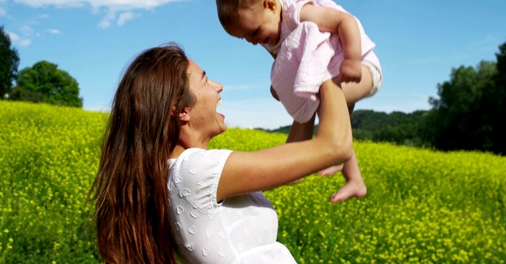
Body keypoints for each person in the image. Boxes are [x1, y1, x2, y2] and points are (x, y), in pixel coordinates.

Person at [87, 43, 353, 264]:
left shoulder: (174, 176)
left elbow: (293, 173)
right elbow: (335, 146)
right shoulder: (195, 172)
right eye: (205, 80)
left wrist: (300, 100)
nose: (219, 86)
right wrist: (319, 65)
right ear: (181, 111)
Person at [215, 0, 383, 203]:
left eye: (254, 32)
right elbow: (287, 61)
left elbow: (345, 21)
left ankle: (353, 177)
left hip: (362, 68)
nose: (254, 42)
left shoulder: (299, 13)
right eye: (246, 38)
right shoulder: (269, 31)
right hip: (332, 76)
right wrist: (279, 87)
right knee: (312, 104)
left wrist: (353, 59)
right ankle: (303, 163)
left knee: (323, 102)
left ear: (271, 5)